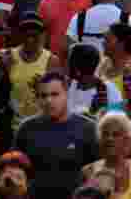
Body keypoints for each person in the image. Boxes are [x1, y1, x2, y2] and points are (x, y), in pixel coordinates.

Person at [14, 71, 100, 199]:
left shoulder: (88, 129)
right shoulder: (26, 129)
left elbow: (97, 174)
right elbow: (15, 171)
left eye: (55, 94)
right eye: (43, 96)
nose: (49, 100)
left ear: (66, 94)